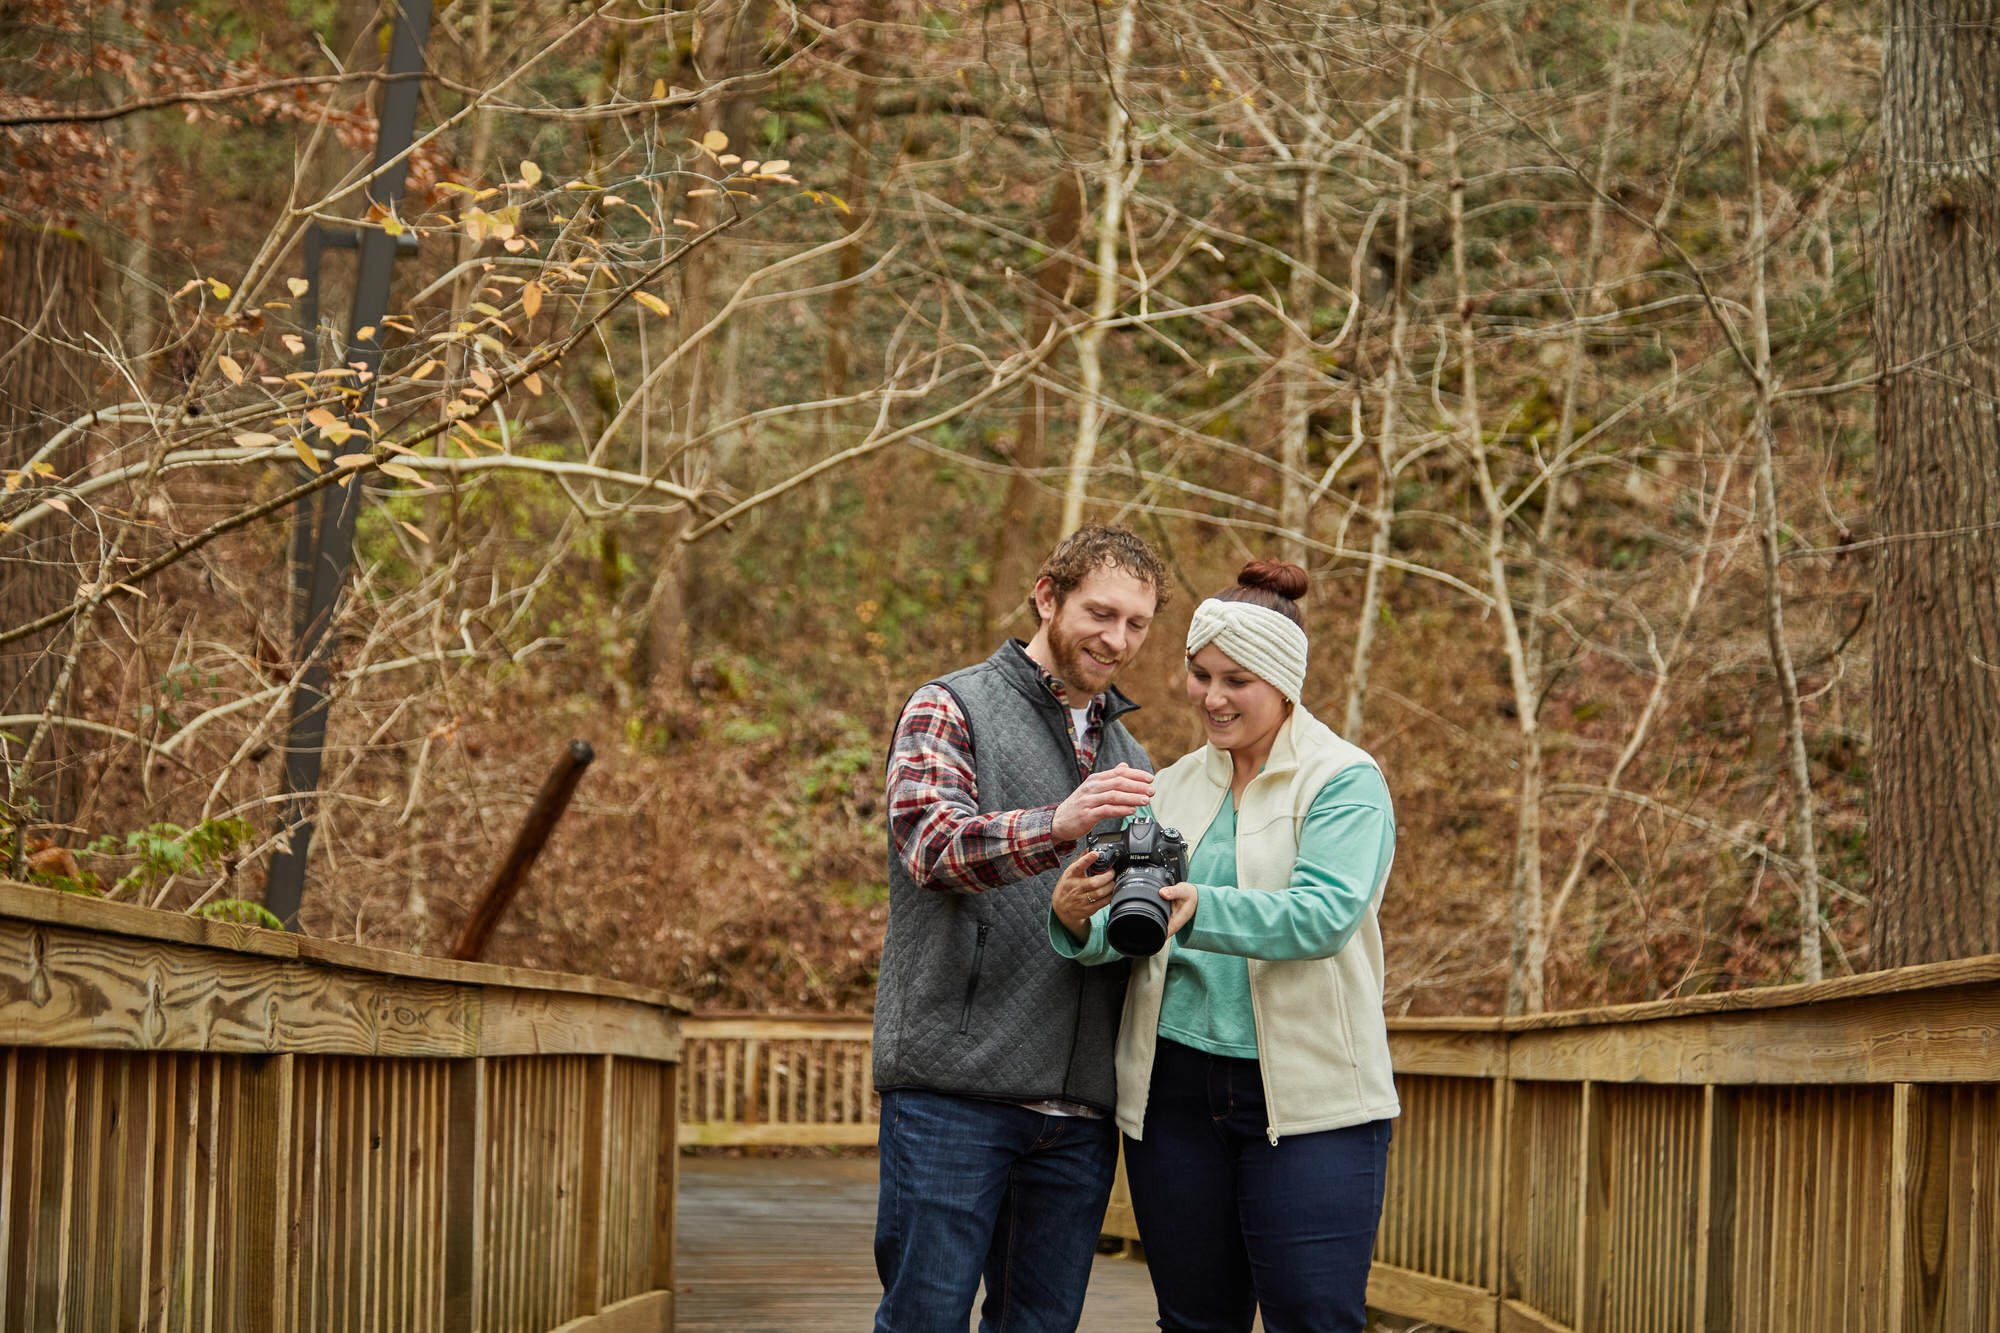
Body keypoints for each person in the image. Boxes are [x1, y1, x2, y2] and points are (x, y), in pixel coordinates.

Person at [1048, 559, 1399, 1333]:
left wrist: (1200, 906)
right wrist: (1079, 923)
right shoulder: (1168, 784)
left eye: (1236, 679)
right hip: (1174, 1093)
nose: (1212, 696)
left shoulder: (1343, 780)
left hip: (1311, 1100)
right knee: (1195, 1320)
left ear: (1283, 682)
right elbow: (1139, 926)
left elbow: (1324, 915)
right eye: (1199, 673)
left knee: (1312, 1317)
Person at [872, 524, 1170, 1333]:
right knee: (924, 1320)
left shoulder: (1131, 752)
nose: (1116, 639)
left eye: (1136, 623)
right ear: (1047, 596)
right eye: (1100, 613)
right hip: (952, 1090)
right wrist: (1061, 821)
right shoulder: (951, 705)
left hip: (1078, 1111)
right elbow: (931, 844)